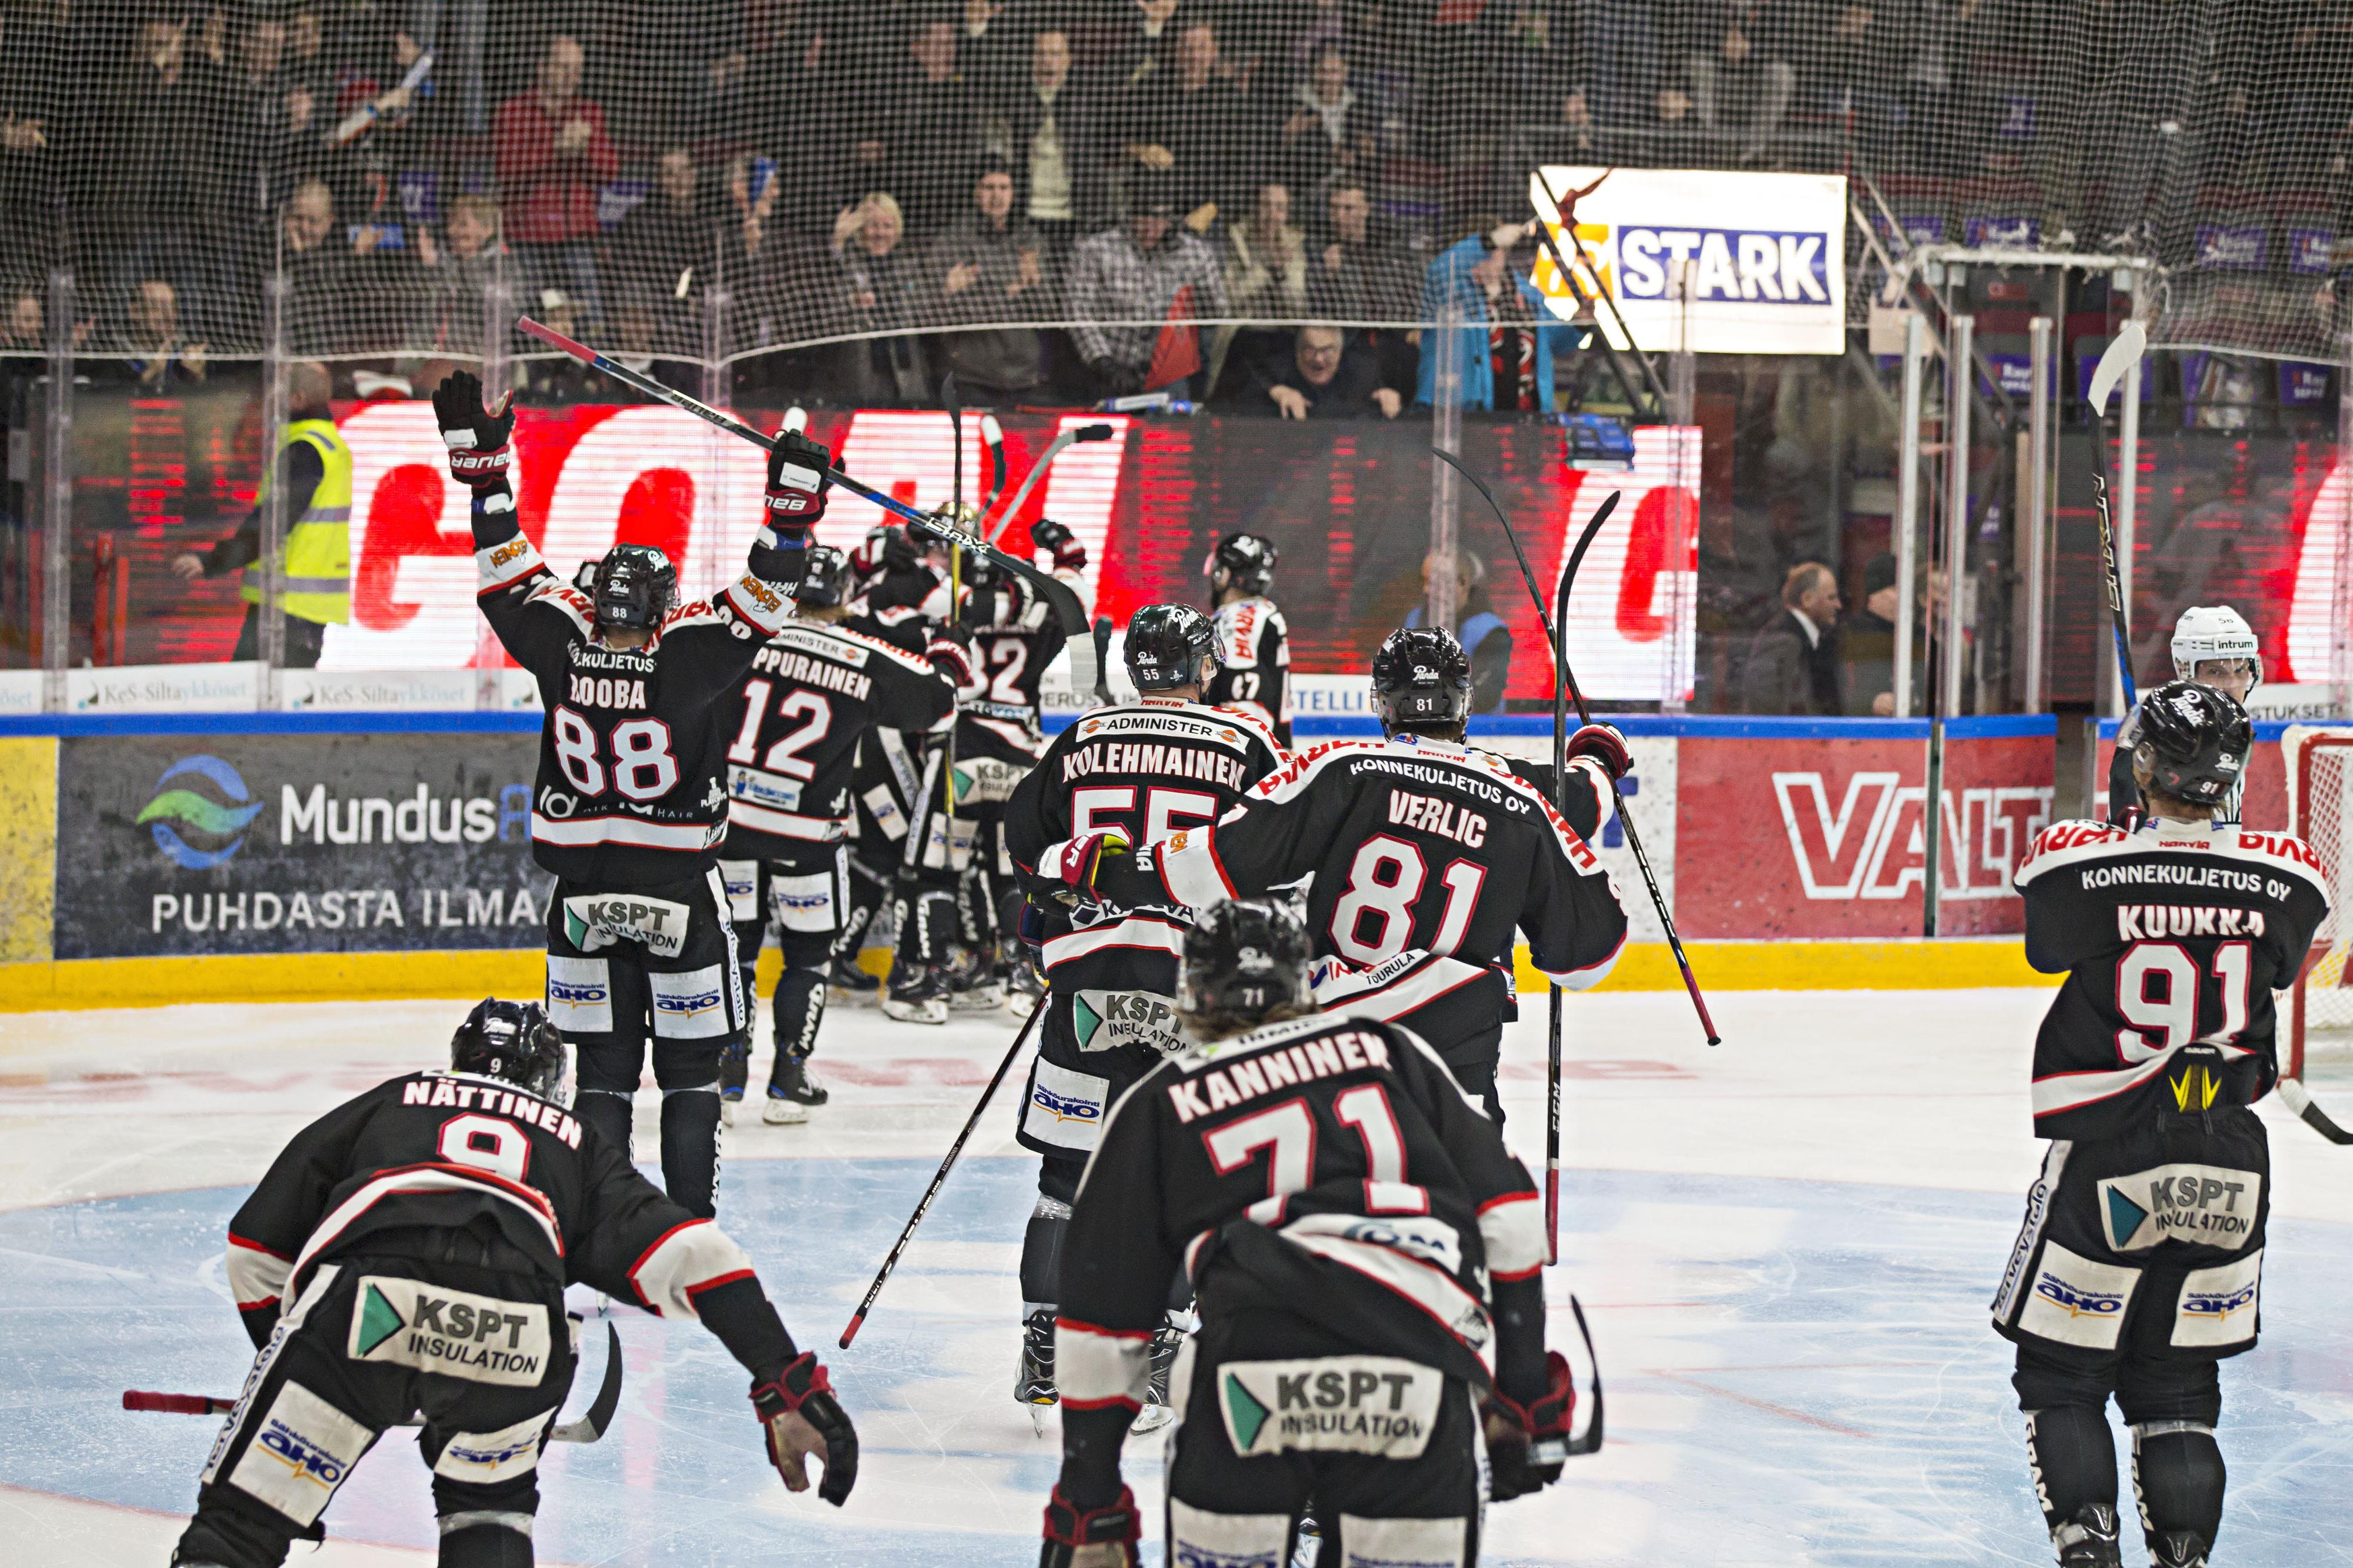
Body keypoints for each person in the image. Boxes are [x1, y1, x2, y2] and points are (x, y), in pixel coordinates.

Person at [169, 999, 856, 1568]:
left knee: (234, 1536)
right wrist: (784, 1385)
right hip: (517, 1337)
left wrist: (295, 1363)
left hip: (361, 1305)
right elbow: (701, 1256)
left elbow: (252, 1252)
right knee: (486, 1518)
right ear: (553, 1083)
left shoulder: (395, 1099)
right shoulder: (574, 1140)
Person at [1035, 900, 1591, 1568]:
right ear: (1305, 985)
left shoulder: (1162, 1098)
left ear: (1191, 993)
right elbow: (1509, 1217)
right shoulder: (1388, 1050)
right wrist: (1524, 1389)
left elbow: (1103, 1322)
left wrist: (1088, 1494)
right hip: (1415, 1358)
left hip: (1247, 1370)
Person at [432, 368, 827, 1219]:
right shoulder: (686, 654)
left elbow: (504, 566)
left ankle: (600, 1226)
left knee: (605, 1081)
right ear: (660, 607)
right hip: (680, 895)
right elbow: (769, 592)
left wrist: (483, 468)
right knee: (688, 1079)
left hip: (581, 898)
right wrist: (792, 504)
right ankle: (684, 1234)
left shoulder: (561, 641)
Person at [1993, 682, 2328, 1568]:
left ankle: (2089, 1550)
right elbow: (2285, 950)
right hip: (2229, 1153)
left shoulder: (2079, 859)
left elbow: (2048, 933)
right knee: (2179, 1384)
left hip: (2113, 1147)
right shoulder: (2289, 870)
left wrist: (2126, 815)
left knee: (2064, 1373)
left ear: (2139, 764)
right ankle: (2183, 1557)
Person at [1097, 626, 1631, 1122]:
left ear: (1383, 702)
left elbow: (1212, 864)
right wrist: (1599, 761)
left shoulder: (1343, 769)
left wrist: (1108, 869)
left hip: (1335, 1044)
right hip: (1458, 1048)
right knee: (1461, 1204)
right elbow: (1588, 957)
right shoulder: (1521, 800)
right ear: (1464, 701)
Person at [1001, 603, 1287, 1417]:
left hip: (1090, 982)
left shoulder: (1081, 740)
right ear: (1204, 669)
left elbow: (1028, 849)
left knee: (1064, 1177)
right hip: (1198, 992)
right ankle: (1160, 1346)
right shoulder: (1245, 743)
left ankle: (1047, 1347)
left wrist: (1050, 928)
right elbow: (1277, 861)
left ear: (1132, 666)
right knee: (1188, 1175)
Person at [716, 545, 965, 1125]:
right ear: (845, 597)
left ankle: (725, 1079)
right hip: (808, 835)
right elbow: (940, 704)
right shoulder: (861, 654)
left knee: (735, 954)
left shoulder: (741, 633)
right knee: (807, 958)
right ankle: (787, 1079)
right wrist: (950, 644)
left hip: (732, 827)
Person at [885, 522, 1091, 1023]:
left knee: (936, 869)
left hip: (963, 749)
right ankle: (1021, 979)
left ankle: (927, 983)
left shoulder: (954, 601)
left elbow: (908, 604)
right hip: (1019, 758)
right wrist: (1066, 551)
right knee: (1010, 874)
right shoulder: (1042, 606)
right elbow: (1074, 593)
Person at [171, 361, 349, 668]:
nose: (268, 400)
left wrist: (211, 561)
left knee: (250, 698)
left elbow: (272, 522)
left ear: (299, 399)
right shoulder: (325, 444)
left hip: (289, 606)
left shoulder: (306, 449)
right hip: (296, 606)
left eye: (276, 392)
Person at [1065, 171, 1227, 401]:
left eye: (1160, 220)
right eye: (1144, 219)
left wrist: (1190, 277)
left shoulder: (1194, 252)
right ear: (1130, 214)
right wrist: (1104, 362)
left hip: (1168, 373)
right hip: (1110, 370)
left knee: (1171, 436)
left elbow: (1218, 311)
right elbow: (1077, 310)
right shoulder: (1096, 248)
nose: (1152, 228)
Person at [492, 35, 617, 325]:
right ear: (542, 67)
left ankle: (590, 373)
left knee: (590, 321)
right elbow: (506, 168)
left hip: (576, 236)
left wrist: (587, 149)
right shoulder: (514, 111)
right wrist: (556, 148)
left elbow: (610, 172)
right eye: (563, 68)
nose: (570, 77)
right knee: (528, 322)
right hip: (528, 237)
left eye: (576, 70)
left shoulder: (589, 112)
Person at [2108, 607, 2262, 827]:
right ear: (2184, 668)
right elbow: (2124, 829)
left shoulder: (2235, 734)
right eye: (2216, 672)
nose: (2232, 686)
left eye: (2240, 671)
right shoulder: (2155, 732)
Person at [1414, 221, 1579, 413]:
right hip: (1462, 413)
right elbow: (1440, 269)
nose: (1494, 255)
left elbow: (1558, 343)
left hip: (1526, 414)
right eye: (1488, 249)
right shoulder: (1450, 289)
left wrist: (1579, 324)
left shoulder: (1526, 294)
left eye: (1499, 248)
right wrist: (1489, 242)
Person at [928, 161, 1051, 396]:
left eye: (1005, 188)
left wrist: (1034, 285)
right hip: (970, 375)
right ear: (975, 192)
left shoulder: (1031, 239)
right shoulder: (952, 240)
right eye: (989, 188)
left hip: (1025, 375)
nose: (998, 196)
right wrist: (1012, 291)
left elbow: (1047, 311)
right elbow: (951, 312)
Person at [1202, 532, 1292, 745]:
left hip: (1243, 753)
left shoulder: (1239, 620)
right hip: (1271, 747)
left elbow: (1244, 697)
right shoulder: (1263, 612)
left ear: (1223, 574)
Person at [1739, 561, 1842, 715]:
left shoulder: (1801, 639)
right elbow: (1764, 705)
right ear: (1807, 599)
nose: (1838, 605)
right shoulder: (1784, 639)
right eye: (1831, 598)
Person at [1839, 551, 1901, 716]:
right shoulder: (1848, 633)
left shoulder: (1918, 635)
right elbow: (1835, 691)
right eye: (1895, 589)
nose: (1904, 597)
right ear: (1875, 593)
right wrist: (1871, 703)